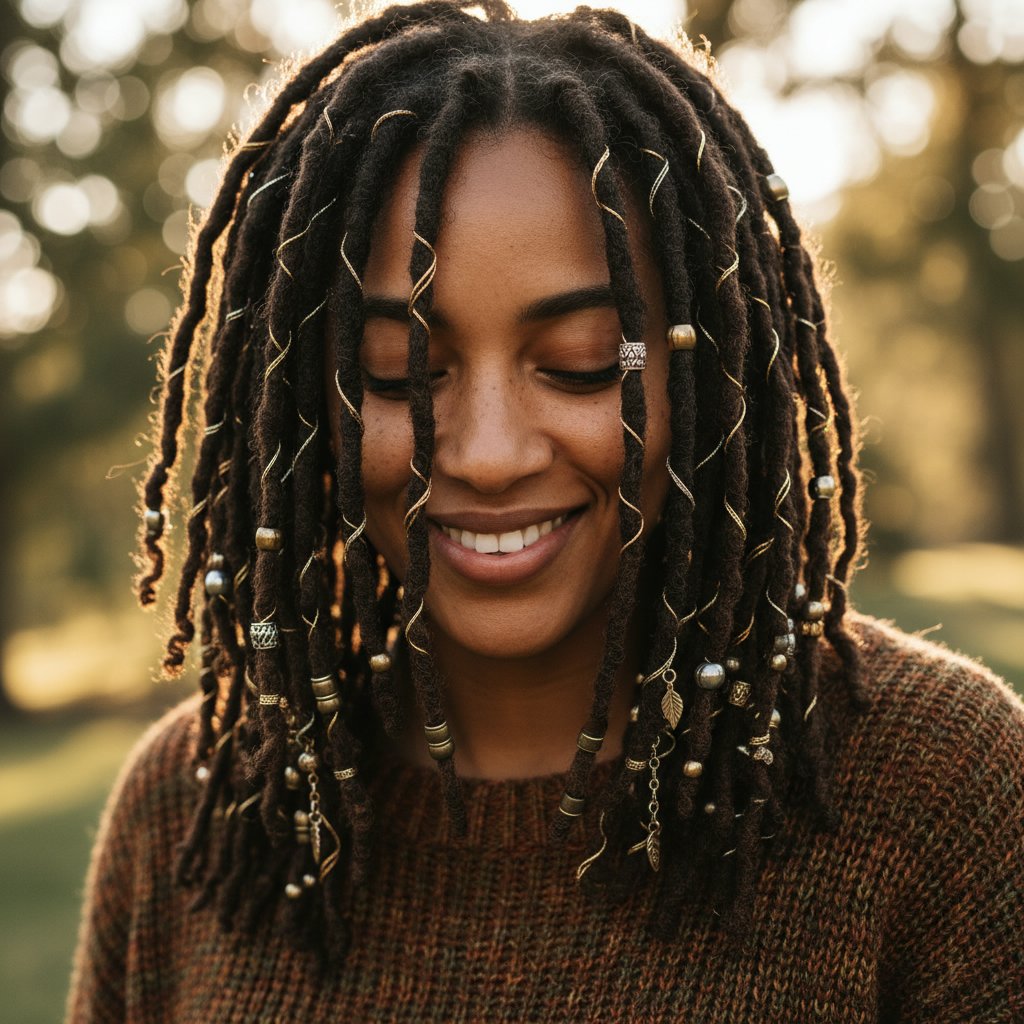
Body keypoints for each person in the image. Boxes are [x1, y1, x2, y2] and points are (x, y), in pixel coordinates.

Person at [67, 2, 1024, 1021]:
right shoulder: (200, 816)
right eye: (398, 373)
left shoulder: (939, 792)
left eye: (578, 366)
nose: (484, 453)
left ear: (711, 379)